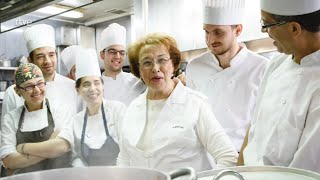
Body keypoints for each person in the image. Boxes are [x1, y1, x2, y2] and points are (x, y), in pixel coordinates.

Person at [117, 33, 238, 172]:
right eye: (146, 62)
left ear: (173, 64)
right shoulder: (133, 108)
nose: (155, 68)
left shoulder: (195, 104)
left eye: (162, 60)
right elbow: (124, 159)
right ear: (138, 70)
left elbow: (228, 156)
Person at [239, 0, 320, 173]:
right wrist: (235, 173)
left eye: (267, 24)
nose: (264, 31)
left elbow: (304, 171)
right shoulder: (276, 64)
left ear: (294, 29)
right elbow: (253, 128)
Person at [185, 0, 269, 152]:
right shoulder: (194, 67)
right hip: (206, 154)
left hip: (247, 154)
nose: (210, 40)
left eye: (218, 32)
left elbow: (264, 123)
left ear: (238, 30)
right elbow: (193, 117)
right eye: (206, 32)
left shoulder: (262, 68)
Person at [0, 63, 73, 176]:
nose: (37, 90)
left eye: (40, 83)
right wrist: (50, 147)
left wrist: (23, 148)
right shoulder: (11, 118)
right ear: (18, 91)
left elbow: (62, 146)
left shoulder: (59, 109)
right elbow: (9, 160)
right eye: (29, 86)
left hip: (59, 175)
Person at [1, 24, 78, 121]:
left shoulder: (72, 87)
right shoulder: (13, 93)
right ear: (30, 60)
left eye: (51, 55)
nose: (48, 61)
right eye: (40, 57)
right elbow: (6, 132)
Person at [72, 48, 126, 166]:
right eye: (86, 84)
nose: (92, 89)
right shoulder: (77, 120)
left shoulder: (117, 110)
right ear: (78, 90)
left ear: (102, 85)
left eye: (97, 83)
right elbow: (75, 156)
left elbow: (127, 149)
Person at [100, 23, 146, 106]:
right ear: (102, 55)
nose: (117, 56)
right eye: (112, 52)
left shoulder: (137, 83)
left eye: (122, 52)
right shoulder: (96, 86)